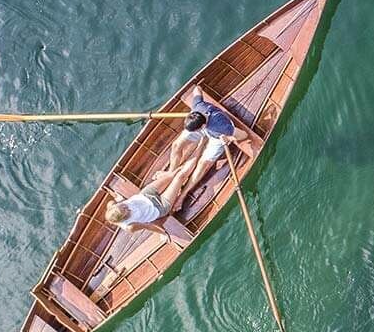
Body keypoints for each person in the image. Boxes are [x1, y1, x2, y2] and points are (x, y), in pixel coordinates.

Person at [102, 87, 261, 229]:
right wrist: (197, 99)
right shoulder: (197, 107)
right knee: (176, 145)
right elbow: (197, 89)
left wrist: (230, 139)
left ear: (201, 126)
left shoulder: (222, 127)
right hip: (203, 125)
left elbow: (244, 135)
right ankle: (170, 175)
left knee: (203, 164)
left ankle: (182, 194)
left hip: (218, 137)